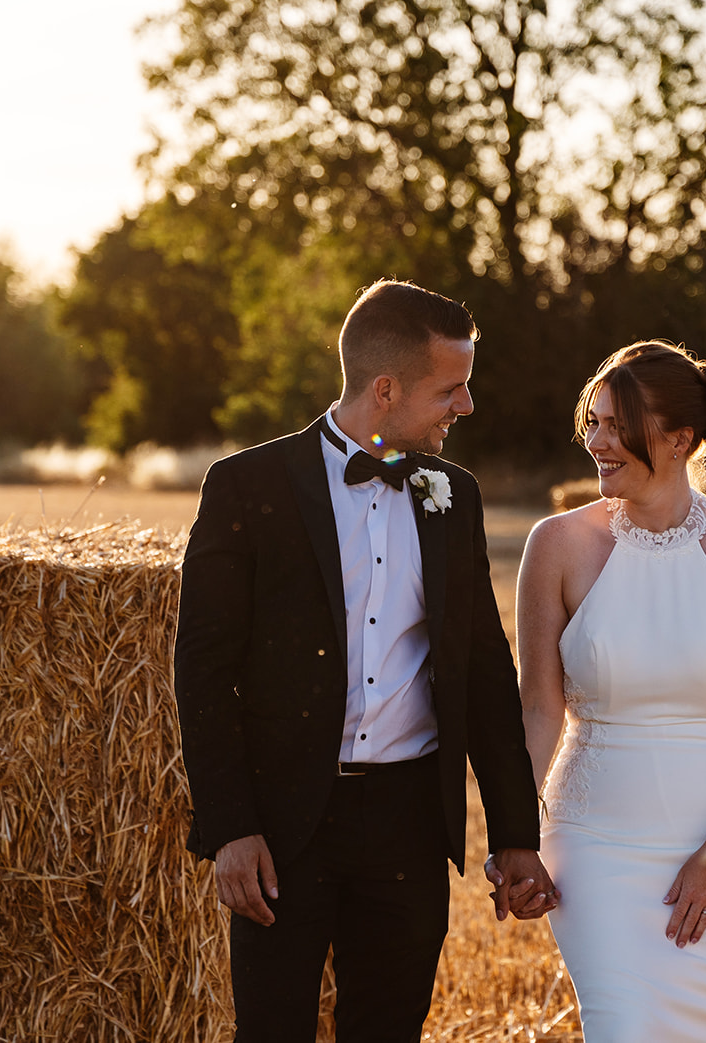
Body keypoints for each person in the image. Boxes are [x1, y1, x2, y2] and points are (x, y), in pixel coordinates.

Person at [173, 279, 557, 1042]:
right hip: (282, 827)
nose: (467, 407)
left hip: (410, 825)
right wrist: (231, 827)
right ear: (386, 388)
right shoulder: (248, 485)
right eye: (453, 388)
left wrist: (517, 832)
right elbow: (204, 667)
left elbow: (483, 668)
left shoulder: (457, 495)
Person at [515, 341, 706, 1040]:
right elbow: (539, 708)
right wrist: (513, 833)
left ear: (680, 440)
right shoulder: (555, 545)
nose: (597, 442)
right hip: (593, 844)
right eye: (594, 422)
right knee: (623, 1028)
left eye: (617, 427)